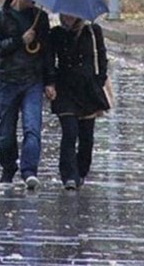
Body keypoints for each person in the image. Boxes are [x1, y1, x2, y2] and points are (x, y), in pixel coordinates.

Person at [0, 0, 55, 190]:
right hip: (7, 81)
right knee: (6, 132)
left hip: (32, 80)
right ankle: (8, 170)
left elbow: (46, 51)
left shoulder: (39, 18)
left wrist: (50, 81)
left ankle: (29, 171)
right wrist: (19, 40)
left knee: (32, 127)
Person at [47, 14, 110, 190]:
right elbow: (49, 61)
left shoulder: (92, 31)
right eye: (64, 14)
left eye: (71, 14)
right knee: (69, 132)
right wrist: (50, 82)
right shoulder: (56, 34)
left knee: (86, 137)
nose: (67, 17)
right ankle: (68, 175)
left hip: (88, 90)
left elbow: (102, 57)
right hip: (65, 89)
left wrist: (100, 80)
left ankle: (81, 171)